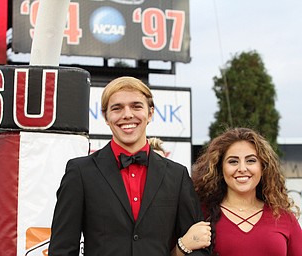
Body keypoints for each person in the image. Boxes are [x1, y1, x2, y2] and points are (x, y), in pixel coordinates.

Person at [48, 76, 210, 256]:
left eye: (136, 106)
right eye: (117, 108)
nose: (127, 114)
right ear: (106, 116)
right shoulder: (80, 172)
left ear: (150, 113)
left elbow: (198, 245)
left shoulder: (177, 175)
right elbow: (62, 248)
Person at [179, 127, 302, 256]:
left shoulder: (284, 217)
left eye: (251, 160)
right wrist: (182, 246)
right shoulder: (200, 215)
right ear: (220, 168)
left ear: (263, 167)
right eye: (233, 161)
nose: (242, 168)